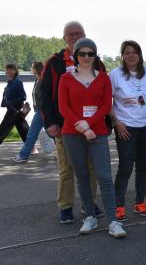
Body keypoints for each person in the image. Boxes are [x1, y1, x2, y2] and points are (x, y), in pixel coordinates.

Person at [58, 38, 126, 238]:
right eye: (82, 54)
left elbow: (106, 105)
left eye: (91, 54)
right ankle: (90, 217)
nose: (86, 57)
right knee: (82, 177)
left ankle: (113, 221)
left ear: (95, 56)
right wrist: (80, 124)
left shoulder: (103, 78)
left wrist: (89, 124)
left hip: (98, 132)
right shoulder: (66, 79)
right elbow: (64, 107)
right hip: (72, 134)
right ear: (75, 56)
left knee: (104, 177)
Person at [40, 21, 101, 224]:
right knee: (67, 168)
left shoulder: (96, 61)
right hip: (64, 127)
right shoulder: (55, 62)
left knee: (91, 167)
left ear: (84, 35)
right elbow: (44, 95)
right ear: (65, 38)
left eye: (78, 33)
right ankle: (65, 207)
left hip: (91, 126)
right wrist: (50, 123)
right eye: (71, 34)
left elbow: (103, 94)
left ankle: (89, 203)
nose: (75, 37)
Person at [109, 40, 146, 221]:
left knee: (143, 166)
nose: (131, 56)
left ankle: (140, 202)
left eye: (134, 52)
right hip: (125, 128)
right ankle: (118, 205)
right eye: (127, 53)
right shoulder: (115, 74)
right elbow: (108, 101)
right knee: (125, 166)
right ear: (123, 56)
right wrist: (116, 123)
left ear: (139, 54)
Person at [12, 62, 46, 163]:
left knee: (32, 134)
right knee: (53, 135)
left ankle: (23, 156)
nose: (31, 69)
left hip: (42, 111)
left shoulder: (44, 81)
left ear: (37, 69)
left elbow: (45, 97)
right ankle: (66, 154)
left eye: (32, 67)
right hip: (38, 110)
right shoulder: (37, 80)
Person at [0, 64, 29, 145]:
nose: (8, 71)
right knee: (23, 129)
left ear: (15, 71)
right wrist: (4, 102)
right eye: (7, 70)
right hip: (13, 110)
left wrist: (10, 102)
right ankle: (31, 147)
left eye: (10, 69)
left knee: (3, 129)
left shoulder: (18, 82)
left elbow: (23, 97)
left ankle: (31, 147)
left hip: (14, 110)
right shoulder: (10, 82)